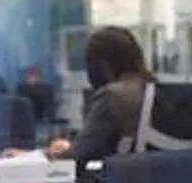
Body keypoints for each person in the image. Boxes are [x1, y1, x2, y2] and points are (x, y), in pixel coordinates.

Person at [44, 26, 151, 169]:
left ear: (101, 64)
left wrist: (45, 155)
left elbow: (78, 156)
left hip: (120, 178)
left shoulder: (111, 96)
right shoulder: (152, 90)